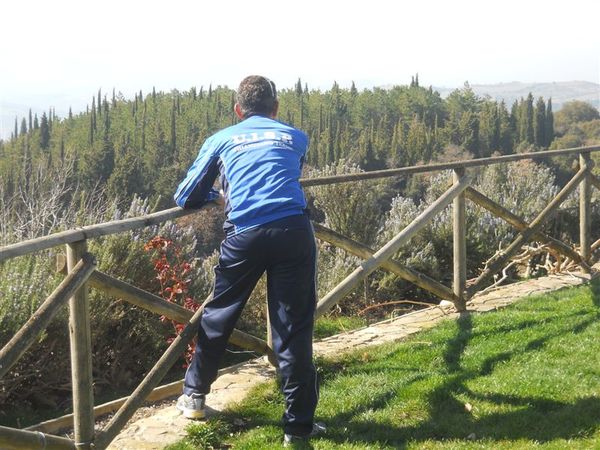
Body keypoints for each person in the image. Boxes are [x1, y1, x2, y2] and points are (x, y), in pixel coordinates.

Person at [173, 75, 323, 445]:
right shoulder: (295, 136)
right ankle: (298, 427)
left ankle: (194, 396)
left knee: (220, 312)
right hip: (293, 230)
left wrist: (218, 191)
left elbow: (185, 195)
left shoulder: (222, 139)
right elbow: (284, 172)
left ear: (238, 110)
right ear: (275, 108)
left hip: (245, 234)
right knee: (294, 326)